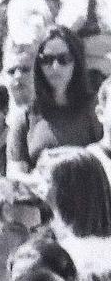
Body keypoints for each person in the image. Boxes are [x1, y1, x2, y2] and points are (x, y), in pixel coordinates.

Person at [13, 25, 100, 172]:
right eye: (46, 59)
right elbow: (15, 174)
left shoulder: (97, 110)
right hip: (40, 192)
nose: (55, 67)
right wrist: (43, 183)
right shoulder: (27, 116)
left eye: (64, 59)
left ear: (77, 62)